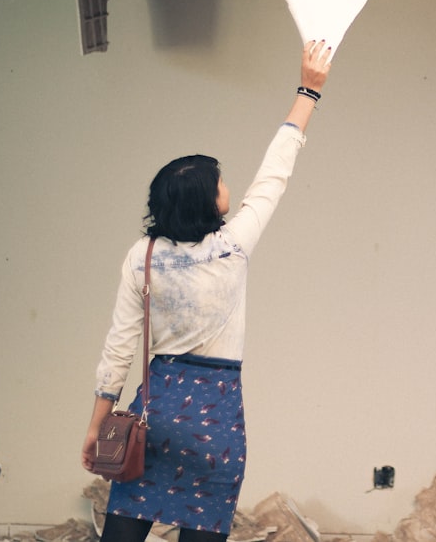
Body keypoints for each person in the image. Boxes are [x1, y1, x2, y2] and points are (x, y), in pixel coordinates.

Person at [81, 40, 334, 542]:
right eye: (221, 184)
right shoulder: (232, 247)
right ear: (211, 204)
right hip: (216, 422)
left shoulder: (143, 256)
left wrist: (96, 426)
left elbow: (118, 349)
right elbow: (276, 170)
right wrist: (310, 88)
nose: (229, 187)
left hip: (155, 417)